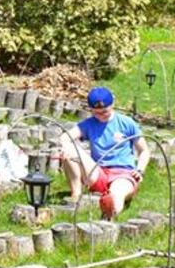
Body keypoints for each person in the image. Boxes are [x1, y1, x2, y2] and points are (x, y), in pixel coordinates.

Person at [57, 86, 150, 220]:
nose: (101, 116)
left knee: (116, 192)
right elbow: (65, 137)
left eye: (105, 112)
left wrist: (140, 169)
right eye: (96, 113)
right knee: (70, 149)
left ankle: (108, 214)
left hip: (122, 174)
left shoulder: (127, 123)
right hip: (98, 172)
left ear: (112, 105)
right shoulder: (89, 124)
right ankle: (76, 196)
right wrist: (65, 148)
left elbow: (144, 150)